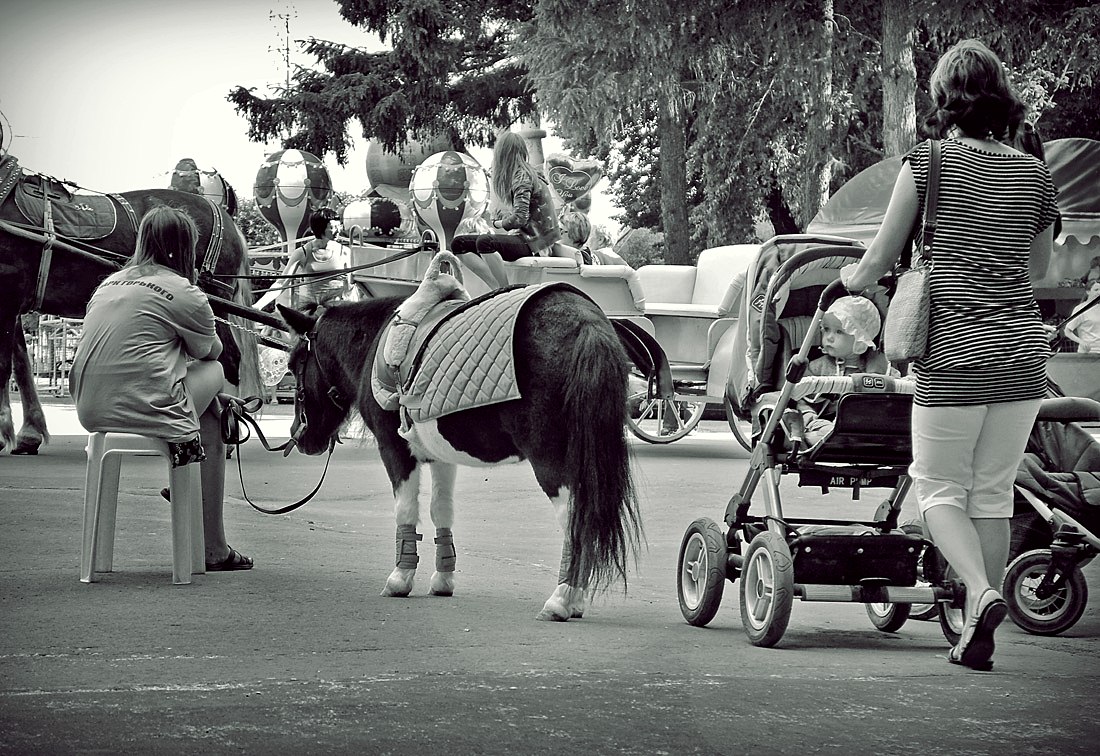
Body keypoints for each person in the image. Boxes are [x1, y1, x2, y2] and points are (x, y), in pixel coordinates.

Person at [840, 39, 1058, 670]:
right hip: (1022, 355)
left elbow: (879, 259)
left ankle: (984, 595)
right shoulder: (1035, 175)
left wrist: (852, 281)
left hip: (954, 353)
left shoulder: (928, 162)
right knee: (991, 493)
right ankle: (975, 632)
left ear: (942, 99)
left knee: (937, 489)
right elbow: (1039, 268)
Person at [69, 205, 253, 571]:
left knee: (212, 415)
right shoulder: (183, 291)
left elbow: (144, 355)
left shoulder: (108, 284)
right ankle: (213, 547)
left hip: (91, 408)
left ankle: (207, 530)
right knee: (214, 371)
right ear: (188, 248)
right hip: (149, 404)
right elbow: (210, 352)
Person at [451, 131, 562, 289]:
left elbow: (520, 219)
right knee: (458, 244)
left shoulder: (522, 178)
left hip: (535, 243)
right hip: (529, 238)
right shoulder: (524, 175)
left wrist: (498, 223)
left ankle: (504, 290)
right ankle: (495, 287)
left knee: (485, 242)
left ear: (502, 155)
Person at [793, 296, 896, 447]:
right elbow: (802, 400)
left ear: (860, 340)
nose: (829, 337)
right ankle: (825, 431)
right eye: (826, 329)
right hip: (824, 422)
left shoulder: (877, 367)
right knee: (803, 410)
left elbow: (899, 386)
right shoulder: (816, 367)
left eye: (839, 332)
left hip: (863, 423)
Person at [286, 207, 349, 308]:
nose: (338, 231)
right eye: (333, 227)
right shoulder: (302, 253)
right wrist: (258, 305)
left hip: (338, 310)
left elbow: (353, 284)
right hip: (314, 310)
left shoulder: (345, 251)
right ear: (321, 228)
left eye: (339, 226)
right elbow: (282, 283)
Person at [1064, 279, 1100, 353]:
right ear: (1088, 292)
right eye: (1096, 290)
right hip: (1089, 353)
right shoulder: (1080, 309)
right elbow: (1067, 331)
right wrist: (1081, 342)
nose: (1099, 292)